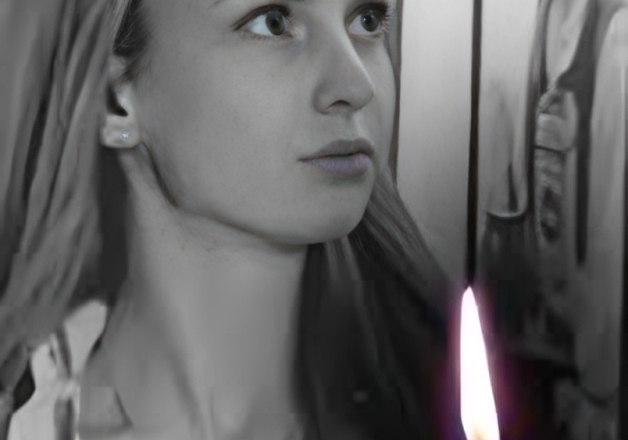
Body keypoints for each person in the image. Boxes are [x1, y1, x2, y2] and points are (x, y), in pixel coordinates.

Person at [0, 1, 454, 439]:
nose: (356, 84)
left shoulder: (453, 398)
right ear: (114, 101)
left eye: (368, 20)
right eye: (272, 22)